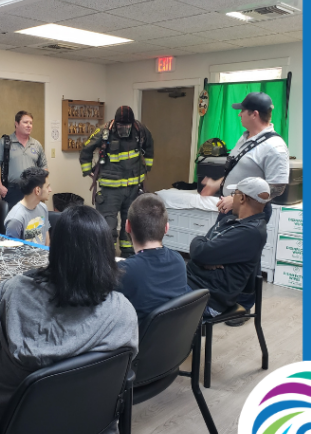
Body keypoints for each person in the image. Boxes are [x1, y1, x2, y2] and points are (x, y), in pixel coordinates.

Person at [0, 203, 139, 434]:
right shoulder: (124, 311)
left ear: (54, 247)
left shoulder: (12, 294)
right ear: (106, 251)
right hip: (89, 433)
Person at [186, 176, 269, 319]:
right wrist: (206, 253)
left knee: (150, 294)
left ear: (242, 198)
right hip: (195, 284)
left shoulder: (251, 232)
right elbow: (204, 248)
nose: (232, 198)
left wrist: (203, 250)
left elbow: (199, 251)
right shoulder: (231, 220)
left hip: (206, 299)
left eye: (234, 194)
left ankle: (183, 339)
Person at [79, 105, 155, 256]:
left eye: (126, 125)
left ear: (132, 123)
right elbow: (86, 149)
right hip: (110, 190)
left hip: (134, 188)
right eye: (121, 125)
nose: (124, 129)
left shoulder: (140, 129)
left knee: (131, 222)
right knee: (108, 224)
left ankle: (129, 254)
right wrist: (88, 171)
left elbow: (150, 145)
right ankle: (107, 256)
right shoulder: (103, 131)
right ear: (116, 122)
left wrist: (147, 167)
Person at [201, 92, 289, 221]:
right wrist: (216, 184)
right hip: (230, 208)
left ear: (254, 114)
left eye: (242, 110)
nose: (239, 114)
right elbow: (240, 171)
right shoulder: (244, 138)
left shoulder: (275, 146)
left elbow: (277, 188)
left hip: (249, 214)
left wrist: (239, 200)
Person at [118, 192, 189, 324]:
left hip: (137, 341)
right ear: (166, 228)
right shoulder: (179, 261)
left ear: (128, 226)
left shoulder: (124, 271)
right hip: (172, 340)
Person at [0, 110, 47, 210]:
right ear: (16, 124)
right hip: (12, 190)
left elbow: (44, 167)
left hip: (32, 190)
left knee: (32, 221)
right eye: (25, 122)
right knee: (14, 221)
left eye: (31, 123)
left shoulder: (36, 144)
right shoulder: (5, 142)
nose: (29, 125)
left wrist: (42, 186)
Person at [4, 166, 51, 245]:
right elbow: (11, 252)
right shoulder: (16, 218)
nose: (50, 190)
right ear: (37, 190)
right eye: (47, 186)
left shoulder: (43, 208)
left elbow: (46, 240)